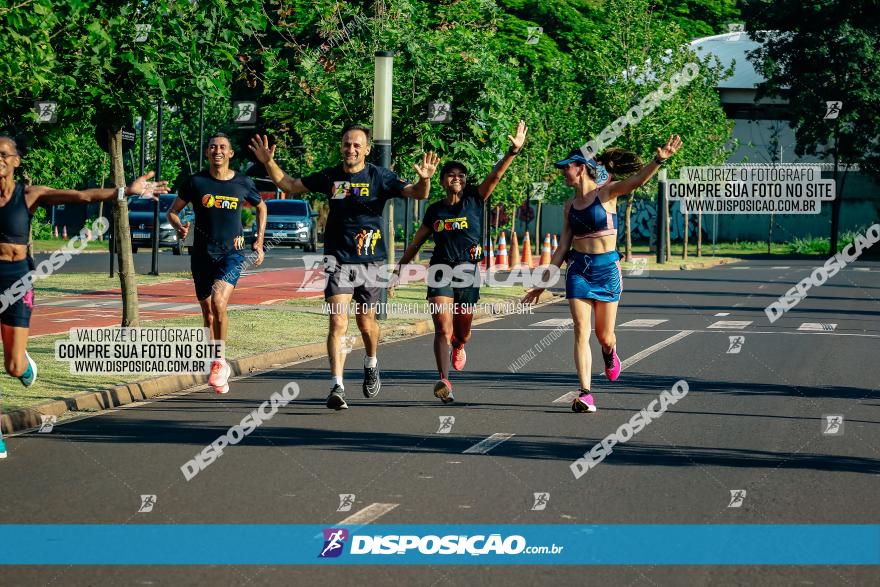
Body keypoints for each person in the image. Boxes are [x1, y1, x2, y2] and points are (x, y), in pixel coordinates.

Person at [0, 134, 167, 458]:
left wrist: (125, 191)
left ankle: (24, 367)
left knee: (13, 365)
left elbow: (81, 195)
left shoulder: (30, 194)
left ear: (16, 161)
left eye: (4, 154)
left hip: (17, 279)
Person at [248, 125, 438, 410]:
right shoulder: (329, 176)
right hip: (337, 260)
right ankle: (337, 385)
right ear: (342, 147)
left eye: (356, 145)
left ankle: (371, 362)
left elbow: (417, 194)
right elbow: (289, 185)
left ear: (367, 148)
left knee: (366, 323)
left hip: (371, 262)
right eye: (347, 144)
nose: (351, 149)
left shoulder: (379, 176)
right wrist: (268, 162)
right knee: (338, 321)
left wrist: (425, 180)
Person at [523, 135, 682, 413]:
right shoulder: (569, 206)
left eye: (566, 168)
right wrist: (541, 283)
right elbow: (562, 247)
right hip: (578, 270)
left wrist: (659, 159)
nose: (562, 172)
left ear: (580, 167)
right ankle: (586, 394)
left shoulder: (607, 194)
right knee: (580, 330)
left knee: (604, 337)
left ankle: (609, 354)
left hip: (607, 270)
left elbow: (638, 181)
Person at [393, 120, 528, 403]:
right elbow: (417, 241)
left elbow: (496, 176)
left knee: (462, 327)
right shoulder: (435, 210)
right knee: (442, 327)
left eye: (461, 175)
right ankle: (444, 380)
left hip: (467, 270)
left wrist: (512, 152)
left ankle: (460, 344)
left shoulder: (475, 200)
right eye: (450, 175)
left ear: (465, 182)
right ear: (442, 181)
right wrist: (399, 269)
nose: (456, 178)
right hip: (440, 269)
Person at [167, 132, 267, 394]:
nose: (218, 151)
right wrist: (178, 227)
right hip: (201, 254)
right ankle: (215, 360)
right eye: (213, 147)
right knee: (207, 312)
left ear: (231, 153)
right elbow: (173, 211)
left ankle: (221, 361)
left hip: (232, 253)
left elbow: (261, 207)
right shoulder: (196, 182)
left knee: (219, 301)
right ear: (207, 152)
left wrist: (258, 240)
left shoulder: (243, 183)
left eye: (223, 147)